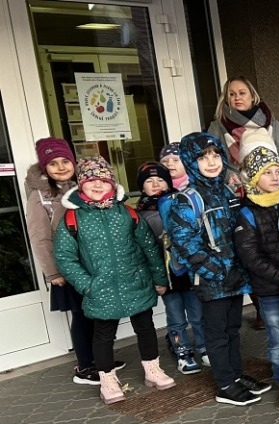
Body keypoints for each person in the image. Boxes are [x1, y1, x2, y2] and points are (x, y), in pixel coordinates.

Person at [54, 157, 175, 403]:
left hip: (136, 281)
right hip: (100, 288)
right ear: (81, 185)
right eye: (91, 181)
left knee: (145, 327)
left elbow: (149, 247)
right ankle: (107, 380)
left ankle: (153, 370)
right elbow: (65, 257)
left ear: (111, 184)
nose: (98, 185)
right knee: (103, 335)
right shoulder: (72, 218)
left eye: (103, 180)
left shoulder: (127, 213)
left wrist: (159, 278)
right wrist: (86, 284)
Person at [167, 133, 265, 406]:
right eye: (202, 157)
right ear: (191, 161)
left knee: (232, 329)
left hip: (235, 276)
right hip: (213, 280)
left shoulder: (226, 191)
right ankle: (225, 384)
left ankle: (236, 375)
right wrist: (217, 270)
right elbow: (185, 243)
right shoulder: (187, 200)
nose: (211, 162)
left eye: (215, 155)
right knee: (217, 332)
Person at [24, 137, 122, 384]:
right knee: (82, 316)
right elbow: (40, 238)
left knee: (101, 314)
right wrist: (53, 272)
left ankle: (102, 360)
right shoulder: (40, 196)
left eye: (65, 161)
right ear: (44, 166)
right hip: (68, 268)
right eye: (53, 163)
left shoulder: (84, 186)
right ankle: (85, 366)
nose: (60, 167)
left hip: (95, 265)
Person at [233, 136, 279, 410]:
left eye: (277, 171)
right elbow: (251, 256)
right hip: (271, 290)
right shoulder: (247, 213)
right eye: (267, 173)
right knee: (277, 340)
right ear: (253, 178)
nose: (275, 177)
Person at [136, 161, 206, 374]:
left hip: (188, 271)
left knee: (198, 315)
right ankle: (182, 352)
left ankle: (204, 347)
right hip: (166, 276)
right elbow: (145, 251)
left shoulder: (181, 203)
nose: (155, 184)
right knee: (176, 318)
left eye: (160, 179)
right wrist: (156, 278)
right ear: (142, 186)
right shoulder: (141, 215)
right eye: (149, 181)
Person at [207, 76, 279, 189]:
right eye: (231, 94)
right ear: (227, 99)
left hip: (275, 187)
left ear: (252, 96)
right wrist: (229, 176)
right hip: (239, 188)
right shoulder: (217, 126)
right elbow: (210, 161)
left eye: (242, 93)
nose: (237, 98)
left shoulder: (271, 122)